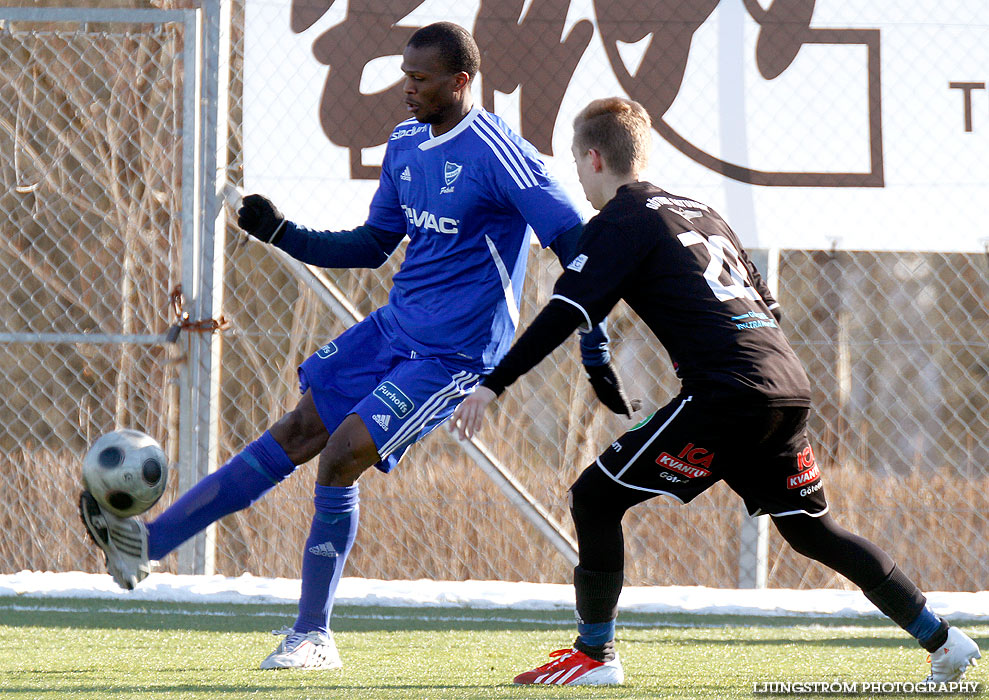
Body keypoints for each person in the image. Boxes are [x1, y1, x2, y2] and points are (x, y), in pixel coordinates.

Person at [78, 23, 635, 671]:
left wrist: (593, 349)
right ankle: (146, 543)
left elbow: (579, 252)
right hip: (393, 329)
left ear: (459, 82)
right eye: (404, 75)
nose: (407, 90)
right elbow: (371, 244)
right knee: (298, 429)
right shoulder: (403, 143)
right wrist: (283, 232)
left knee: (340, 455)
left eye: (420, 79)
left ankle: (312, 636)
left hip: (455, 356)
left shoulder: (499, 151)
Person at [450, 97, 982, 687]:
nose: (578, 175)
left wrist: (493, 384)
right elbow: (767, 308)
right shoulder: (704, 212)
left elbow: (566, 310)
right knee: (811, 531)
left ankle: (595, 657)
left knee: (595, 498)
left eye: (577, 162)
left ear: (594, 157)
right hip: (785, 387)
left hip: (727, 396)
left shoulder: (623, 219)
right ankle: (943, 638)